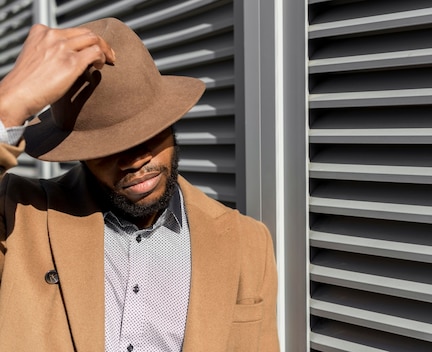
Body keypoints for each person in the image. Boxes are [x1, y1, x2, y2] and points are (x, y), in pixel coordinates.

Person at [0, 17, 279, 351]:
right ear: (80, 153)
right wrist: (8, 105)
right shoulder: (18, 218)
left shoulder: (249, 243)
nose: (135, 160)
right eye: (107, 148)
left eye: (148, 133)